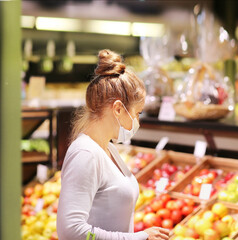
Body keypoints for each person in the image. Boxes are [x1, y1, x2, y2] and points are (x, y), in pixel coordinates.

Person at [57, 49, 169, 240]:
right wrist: (138, 238)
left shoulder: (107, 148)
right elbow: (70, 231)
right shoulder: (86, 153)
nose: (137, 122)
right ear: (118, 109)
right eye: (137, 113)